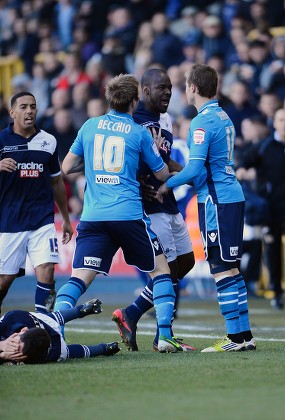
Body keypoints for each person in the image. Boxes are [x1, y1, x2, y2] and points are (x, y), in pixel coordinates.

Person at [53, 73, 185, 353]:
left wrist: (93, 166)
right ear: (134, 101)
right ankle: (164, 337)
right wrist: (159, 150)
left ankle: (57, 331)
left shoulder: (89, 126)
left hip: (93, 216)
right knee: (162, 271)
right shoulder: (138, 132)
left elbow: (66, 167)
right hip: (128, 214)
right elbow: (161, 172)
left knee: (78, 279)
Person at [157, 64, 256, 352]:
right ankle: (244, 335)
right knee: (232, 268)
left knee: (221, 269)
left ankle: (234, 338)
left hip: (215, 201)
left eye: (186, 84)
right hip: (230, 197)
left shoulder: (201, 123)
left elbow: (195, 169)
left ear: (193, 88)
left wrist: (167, 183)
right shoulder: (223, 116)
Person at [112, 68, 195, 352]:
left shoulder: (166, 120)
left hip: (168, 200)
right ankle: (164, 335)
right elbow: (119, 164)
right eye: (162, 88)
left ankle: (131, 313)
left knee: (186, 262)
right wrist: (136, 185)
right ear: (144, 91)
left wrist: (188, 174)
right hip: (147, 206)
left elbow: (166, 159)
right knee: (165, 269)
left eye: (170, 88)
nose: (168, 93)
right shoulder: (132, 121)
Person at [0, 92, 73, 315]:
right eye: (23, 107)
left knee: (47, 271)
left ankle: (45, 324)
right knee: (4, 279)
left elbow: (57, 182)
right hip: (10, 221)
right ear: (12, 113)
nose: (29, 111)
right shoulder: (2, 141)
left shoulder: (48, 141)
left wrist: (67, 220)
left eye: (33, 106)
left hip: (42, 220)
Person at [240, 108, 285, 309]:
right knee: (273, 251)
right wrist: (243, 171)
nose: (284, 123)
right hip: (273, 209)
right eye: (281, 119)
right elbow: (243, 163)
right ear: (274, 123)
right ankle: (276, 292)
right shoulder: (266, 146)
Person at [0, 298, 120, 364]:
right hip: (45, 332)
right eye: (15, 348)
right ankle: (103, 348)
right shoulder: (11, 318)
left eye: (15, 345)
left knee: (55, 321)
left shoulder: (12, 317)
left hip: (45, 326)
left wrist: (4, 350)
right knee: (67, 350)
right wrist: (4, 350)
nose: (13, 348)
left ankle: (82, 310)